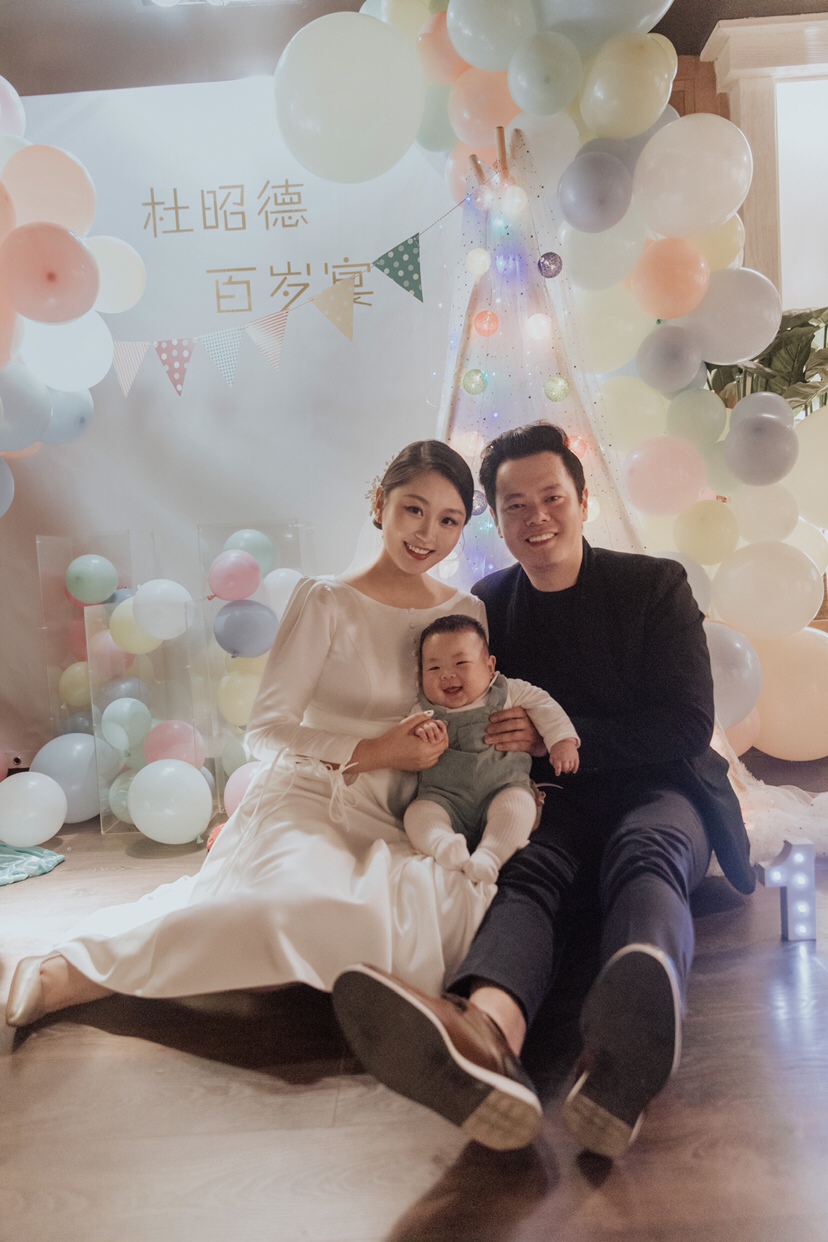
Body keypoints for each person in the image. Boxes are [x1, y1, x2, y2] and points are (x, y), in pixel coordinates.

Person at [332, 421, 755, 1161]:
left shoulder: (654, 584)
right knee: (526, 875)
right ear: (498, 521)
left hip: (662, 788)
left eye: (552, 497)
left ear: (584, 502)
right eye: (516, 506)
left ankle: (629, 1034)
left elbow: (688, 724)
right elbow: (457, 698)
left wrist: (559, 739)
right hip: (548, 800)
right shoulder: (490, 604)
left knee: (647, 854)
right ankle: (483, 1035)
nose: (537, 518)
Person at [5, 440, 502, 1063]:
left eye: (449, 520)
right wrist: (373, 751)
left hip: (411, 810)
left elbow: (478, 711)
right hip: (315, 797)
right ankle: (76, 970)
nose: (428, 534)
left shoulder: (467, 609)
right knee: (284, 913)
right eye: (414, 510)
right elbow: (265, 731)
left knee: (451, 905)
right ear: (380, 504)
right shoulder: (326, 599)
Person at [404, 613, 579, 884]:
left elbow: (544, 705)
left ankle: (490, 855)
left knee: (519, 805)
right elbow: (405, 738)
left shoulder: (506, 691)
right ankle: (444, 845)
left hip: (503, 787)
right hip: (443, 797)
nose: (447, 674)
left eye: (461, 663)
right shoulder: (423, 709)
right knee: (417, 814)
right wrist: (420, 732)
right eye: (434, 668)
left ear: (489, 666)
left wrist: (562, 741)